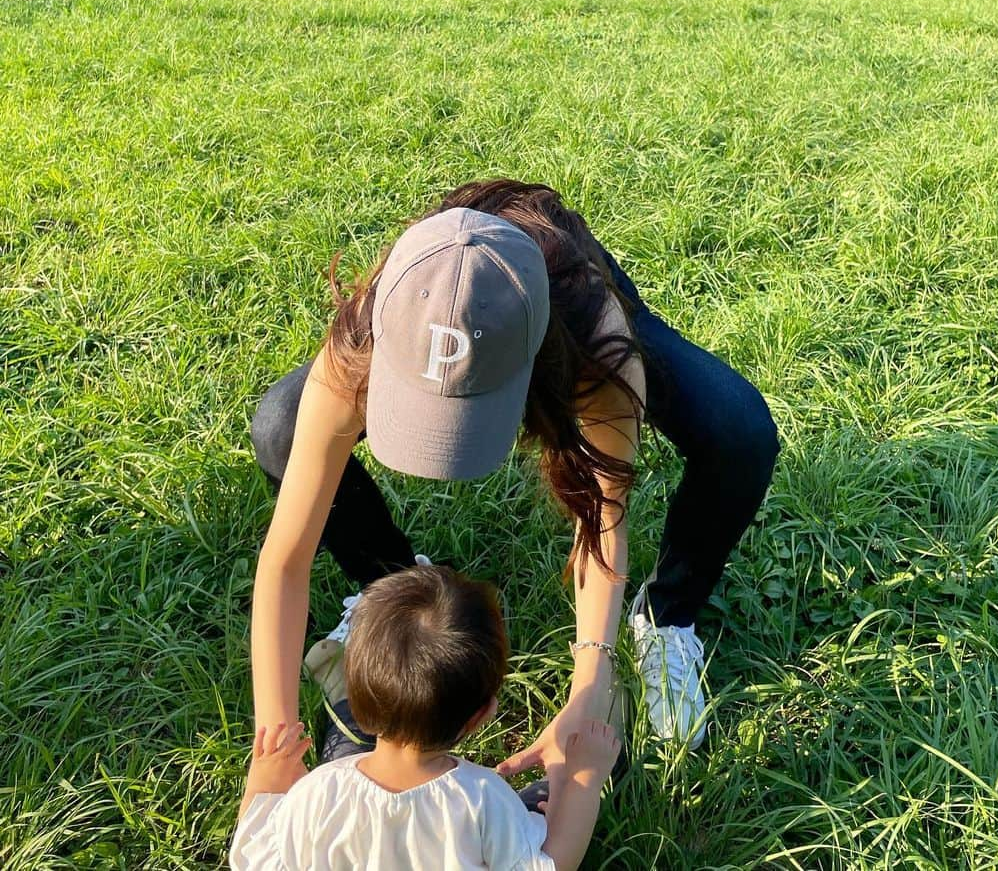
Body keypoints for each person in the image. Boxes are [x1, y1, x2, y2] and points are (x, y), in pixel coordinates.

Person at [249, 180, 778, 781]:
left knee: (741, 434)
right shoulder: (374, 328)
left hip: (565, 301)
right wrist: (276, 743)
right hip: (437, 304)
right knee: (280, 429)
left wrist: (589, 685)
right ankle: (395, 590)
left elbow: (603, 519)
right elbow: (285, 560)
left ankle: (666, 618)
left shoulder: (592, 341)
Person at [232, 563, 621, 870]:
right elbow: (553, 863)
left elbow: (252, 859)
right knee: (546, 799)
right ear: (480, 715)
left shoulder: (316, 795)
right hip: (494, 823)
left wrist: (261, 783)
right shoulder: (483, 800)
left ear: (359, 698)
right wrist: (586, 777)